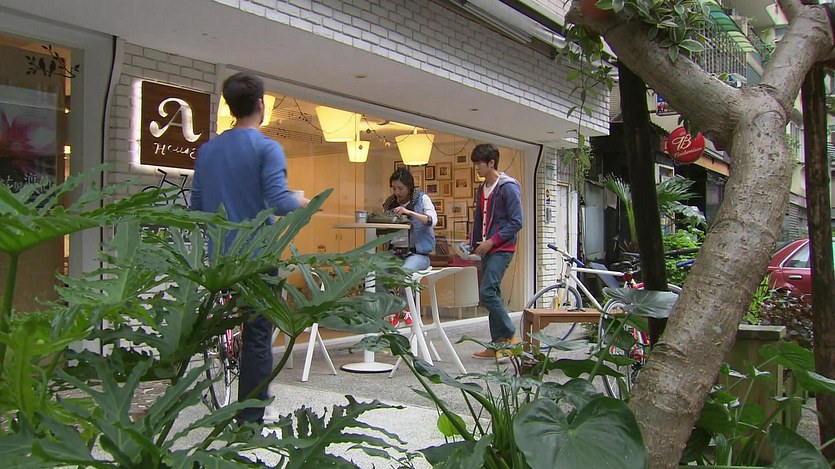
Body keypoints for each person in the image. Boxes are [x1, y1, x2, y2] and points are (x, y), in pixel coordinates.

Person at [190, 72, 309, 425]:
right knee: (258, 334)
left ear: (230, 106)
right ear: (260, 104)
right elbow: (279, 200)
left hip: (220, 259)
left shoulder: (207, 150)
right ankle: (250, 418)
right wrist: (302, 202)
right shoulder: (266, 148)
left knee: (227, 319)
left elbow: (197, 206)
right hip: (257, 258)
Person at [466, 143, 523, 359]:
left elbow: (517, 221)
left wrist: (492, 241)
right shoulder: (482, 189)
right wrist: (473, 244)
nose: (476, 168)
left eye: (479, 164)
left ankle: (509, 333)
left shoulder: (507, 187)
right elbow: (479, 220)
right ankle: (498, 344)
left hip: (502, 248)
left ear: (491, 163)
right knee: (493, 293)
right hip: (487, 248)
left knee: (487, 292)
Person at [381, 167, 437, 327]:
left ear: (409, 187)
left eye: (400, 188)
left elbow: (432, 220)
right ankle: (391, 308)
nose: (397, 192)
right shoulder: (390, 203)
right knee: (377, 269)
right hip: (396, 251)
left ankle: (406, 308)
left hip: (419, 254)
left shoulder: (421, 199)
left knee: (405, 271)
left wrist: (409, 212)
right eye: (393, 188)